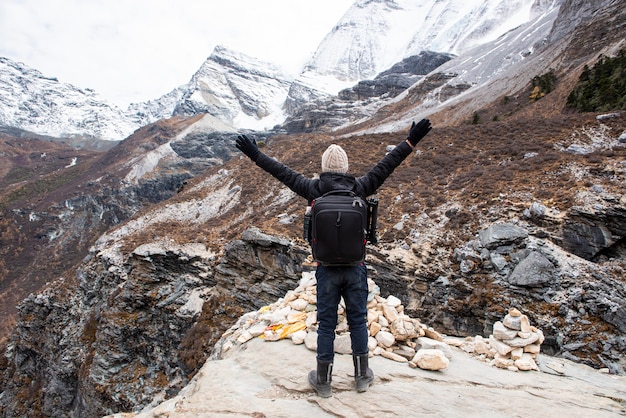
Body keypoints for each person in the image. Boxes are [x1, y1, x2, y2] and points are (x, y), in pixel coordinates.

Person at [235, 119, 432, 397]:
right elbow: (389, 164)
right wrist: (411, 141)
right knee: (358, 320)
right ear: (346, 168)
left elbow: (280, 172)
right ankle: (362, 376)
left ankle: (324, 381)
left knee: (326, 323)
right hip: (355, 267)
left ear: (325, 168)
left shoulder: (313, 189)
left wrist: (255, 154)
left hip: (326, 269)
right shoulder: (361, 187)